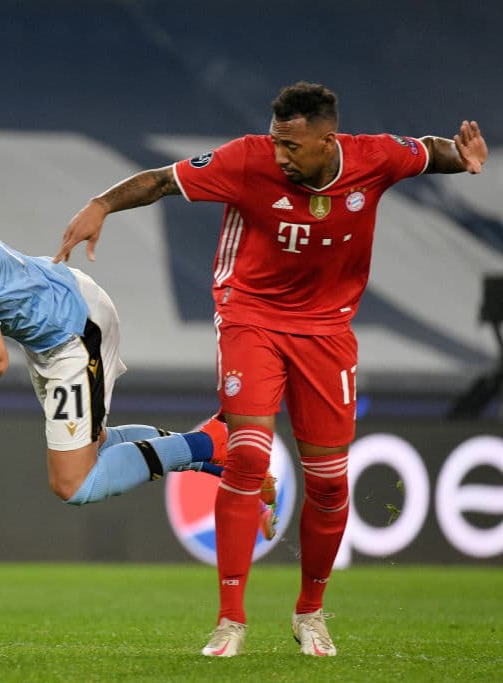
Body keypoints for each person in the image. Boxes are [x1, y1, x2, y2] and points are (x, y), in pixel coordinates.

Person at [53, 82, 488, 657]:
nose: (280, 154)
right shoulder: (247, 159)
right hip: (250, 317)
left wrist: (462, 157)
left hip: (328, 333)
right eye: (276, 140)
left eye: (293, 145)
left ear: (328, 140)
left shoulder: (373, 157)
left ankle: (310, 613)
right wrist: (100, 204)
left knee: (331, 482)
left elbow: (428, 151)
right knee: (251, 453)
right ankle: (230, 619)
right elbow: (161, 180)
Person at [0, 177, 276, 548]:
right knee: (92, 445)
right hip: (50, 325)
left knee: (75, 484)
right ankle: (215, 457)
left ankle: (211, 442)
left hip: (73, 328)